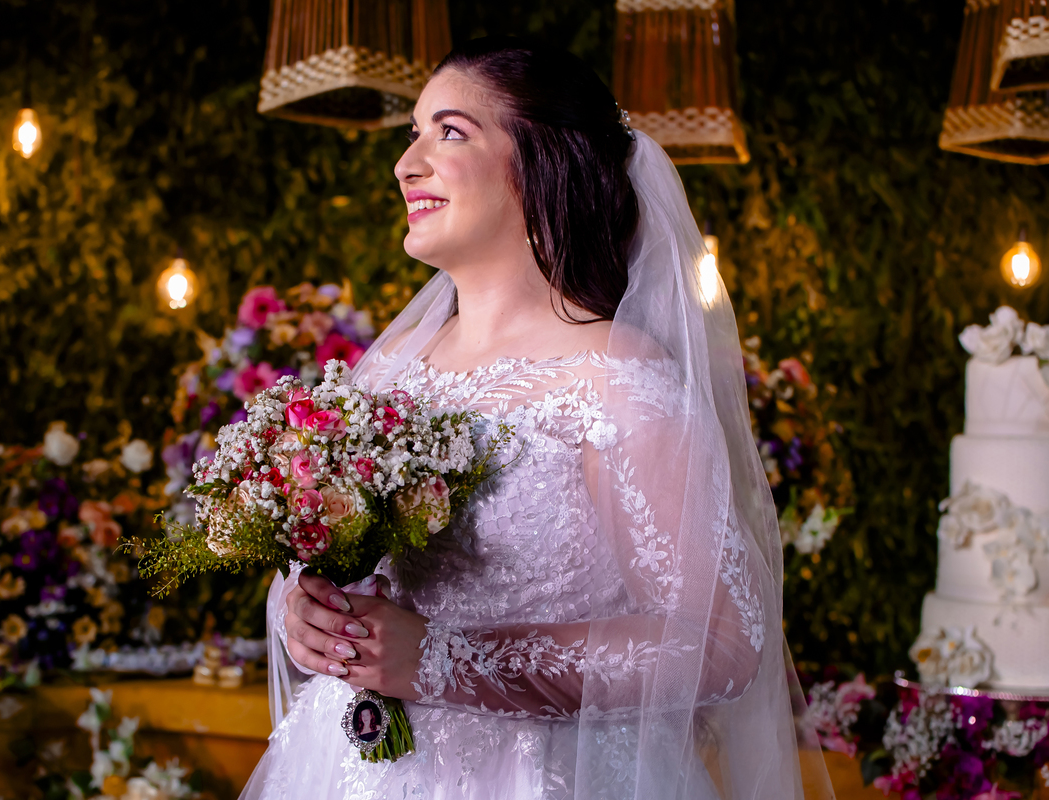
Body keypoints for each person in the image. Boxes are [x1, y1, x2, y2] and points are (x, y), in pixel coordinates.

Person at [242, 37, 833, 800]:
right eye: (412, 133)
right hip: (342, 771)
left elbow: (720, 644)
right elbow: (322, 567)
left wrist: (445, 661)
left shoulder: (615, 379)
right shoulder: (385, 373)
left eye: (449, 131)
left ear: (542, 158)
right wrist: (306, 614)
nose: (407, 164)